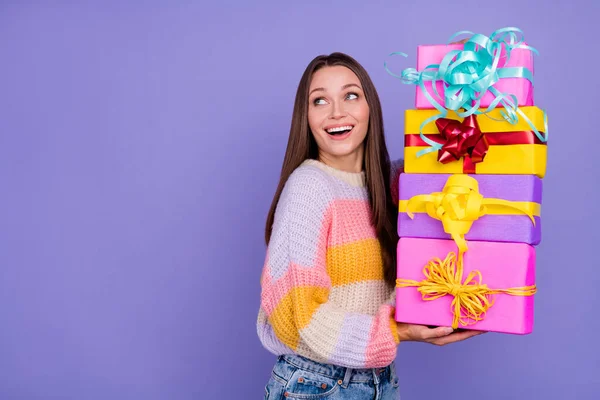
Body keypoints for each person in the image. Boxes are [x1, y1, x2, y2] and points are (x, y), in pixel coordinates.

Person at [256, 52, 483, 399]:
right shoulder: (309, 187)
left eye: (350, 95)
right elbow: (296, 316)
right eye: (320, 100)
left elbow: (474, 175)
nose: (336, 112)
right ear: (306, 117)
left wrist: (477, 87)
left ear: (369, 108)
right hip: (315, 383)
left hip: (378, 379)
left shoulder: (393, 183)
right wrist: (398, 330)